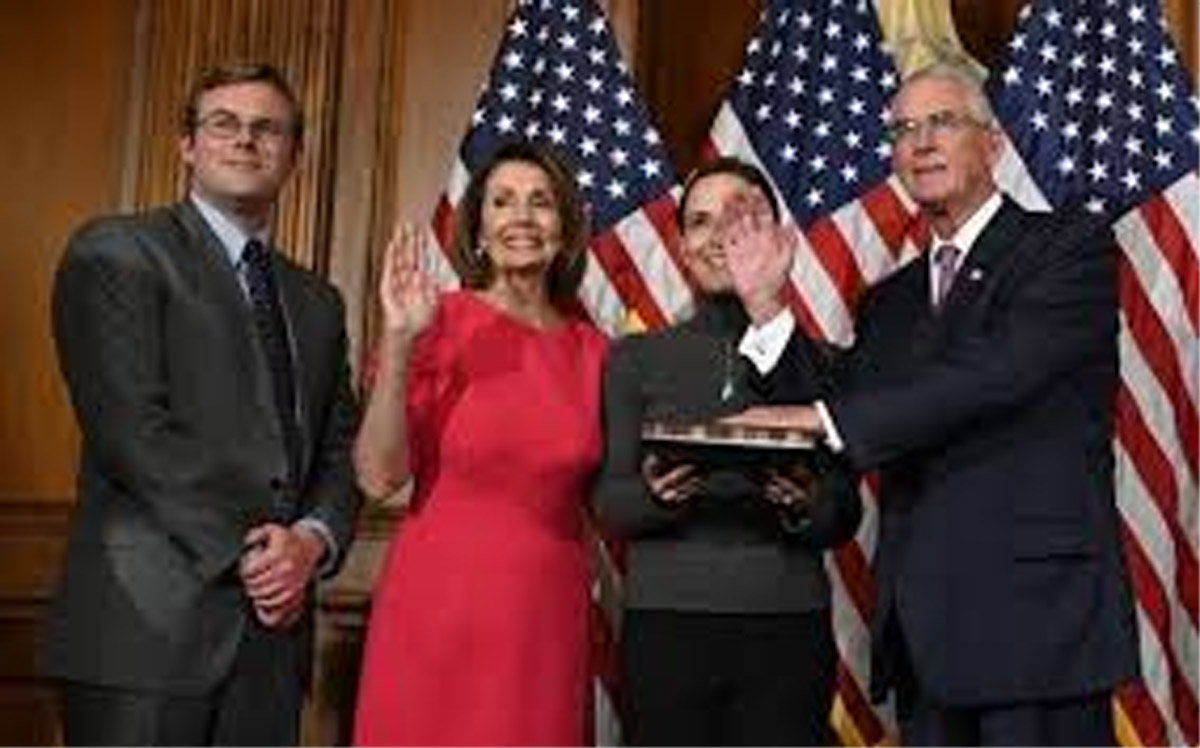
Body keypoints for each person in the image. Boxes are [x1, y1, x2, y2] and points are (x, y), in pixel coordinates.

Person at [725, 61, 1140, 745]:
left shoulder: (1066, 247)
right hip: (926, 638)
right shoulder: (892, 301)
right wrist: (767, 306)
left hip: (1037, 633)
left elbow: (993, 375)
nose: (920, 143)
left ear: (993, 143)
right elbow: (847, 404)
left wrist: (825, 419)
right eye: (903, 130)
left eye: (942, 122)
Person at [47, 62, 362, 745]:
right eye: (224, 123)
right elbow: (133, 433)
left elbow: (342, 451)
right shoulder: (118, 252)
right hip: (143, 633)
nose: (246, 139)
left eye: (268, 128)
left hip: (272, 644)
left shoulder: (317, 302)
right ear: (188, 145)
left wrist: (311, 542)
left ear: (295, 156)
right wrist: (251, 553)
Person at [593, 157, 861, 746]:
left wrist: (805, 501)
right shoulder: (633, 359)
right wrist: (656, 497)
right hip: (667, 629)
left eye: (739, 217)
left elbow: (844, 514)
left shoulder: (824, 364)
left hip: (787, 629)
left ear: (777, 235)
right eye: (700, 221)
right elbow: (610, 502)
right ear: (682, 247)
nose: (719, 236)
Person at [351, 140, 608, 746]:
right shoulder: (433, 322)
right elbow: (378, 477)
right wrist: (398, 342)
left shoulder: (596, 353)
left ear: (565, 229)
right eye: (502, 201)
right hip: (440, 602)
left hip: (545, 616)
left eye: (541, 202)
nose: (522, 217)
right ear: (478, 229)